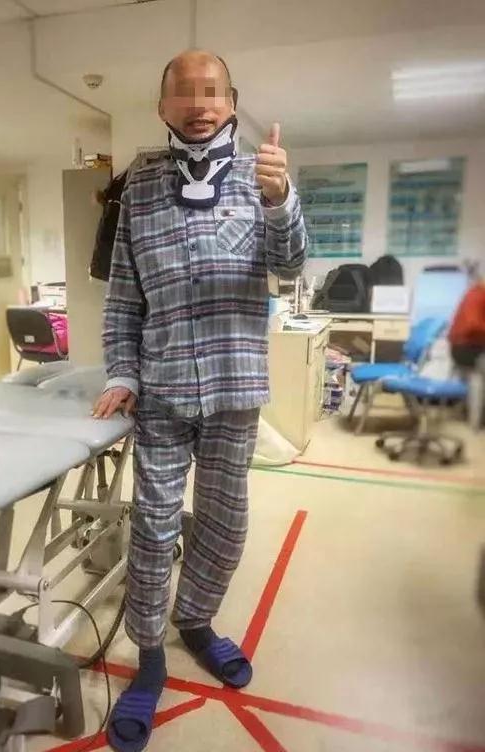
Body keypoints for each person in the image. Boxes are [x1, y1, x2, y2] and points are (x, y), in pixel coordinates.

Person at [92, 49, 307, 752]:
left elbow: (290, 265)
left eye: (211, 91)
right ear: (163, 107)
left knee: (224, 523)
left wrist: (280, 200)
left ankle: (196, 622)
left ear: (232, 102)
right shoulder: (140, 184)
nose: (199, 103)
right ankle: (150, 653)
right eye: (183, 92)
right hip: (161, 390)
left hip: (235, 387)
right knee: (154, 528)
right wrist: (121, 374)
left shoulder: (260, 175)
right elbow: (124, 296)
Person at [449, 278, 485, 368]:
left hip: (468, 346)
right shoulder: (477, 296)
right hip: (465, 349)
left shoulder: (476, 292)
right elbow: (473, 326)